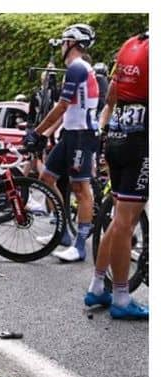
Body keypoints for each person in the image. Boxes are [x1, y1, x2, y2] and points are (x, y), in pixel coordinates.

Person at [84, 32, 148, 319]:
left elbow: (112, 94)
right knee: (125, 221)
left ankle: (98, 285)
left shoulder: (129, 45)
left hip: (118, 135)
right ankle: (121, 298)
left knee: (123, 218)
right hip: (141, 141)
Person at [24, 23, 99, 262]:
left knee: (80, 189)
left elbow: (62, 106)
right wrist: (46, 133)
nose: (61, 47)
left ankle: (79, 246)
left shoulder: (78, 68)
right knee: (46, 179)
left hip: (82, 135)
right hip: (70, 133)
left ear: (72, 44)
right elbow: (68, 111)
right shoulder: (76, 69)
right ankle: (63, 234)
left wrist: (37, 131)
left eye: (64, 42)